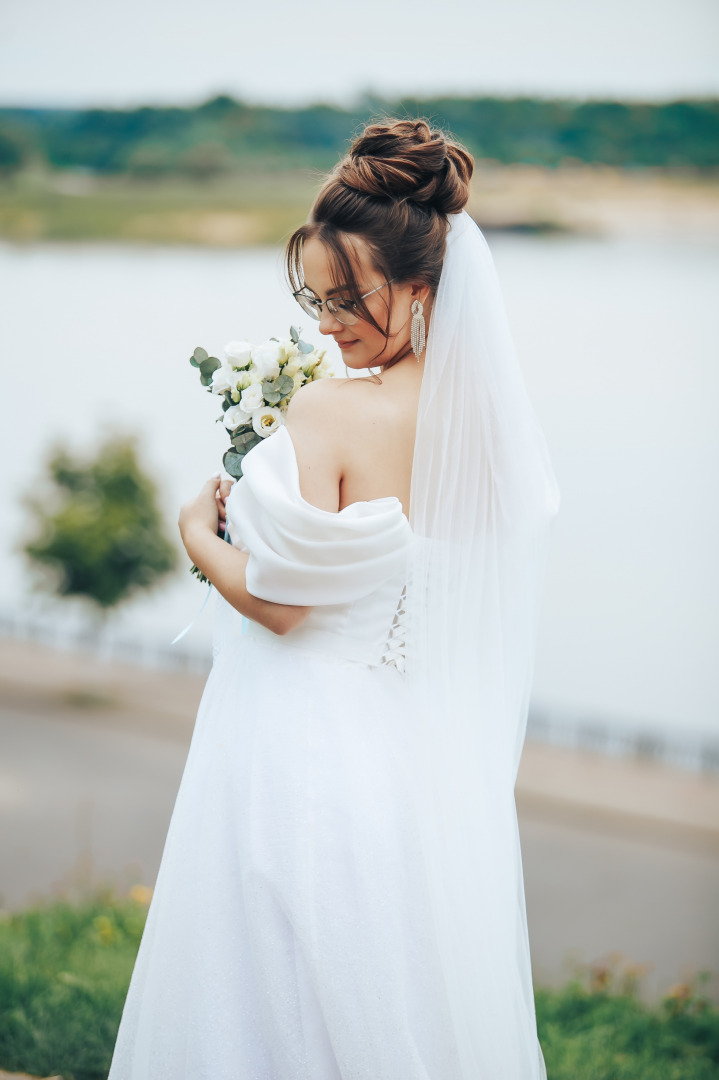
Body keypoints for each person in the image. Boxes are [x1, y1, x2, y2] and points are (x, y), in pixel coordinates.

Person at [108, 119, 560, 1079]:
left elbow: (280, 604)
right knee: (391, 986)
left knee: (264, 989)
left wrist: (196, 531)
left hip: (295, 742)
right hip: (410, 757)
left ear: (421, 289)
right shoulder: (485, 434)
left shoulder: (329, 410)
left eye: (348, 299)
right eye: (316, 299)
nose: (325, 326)